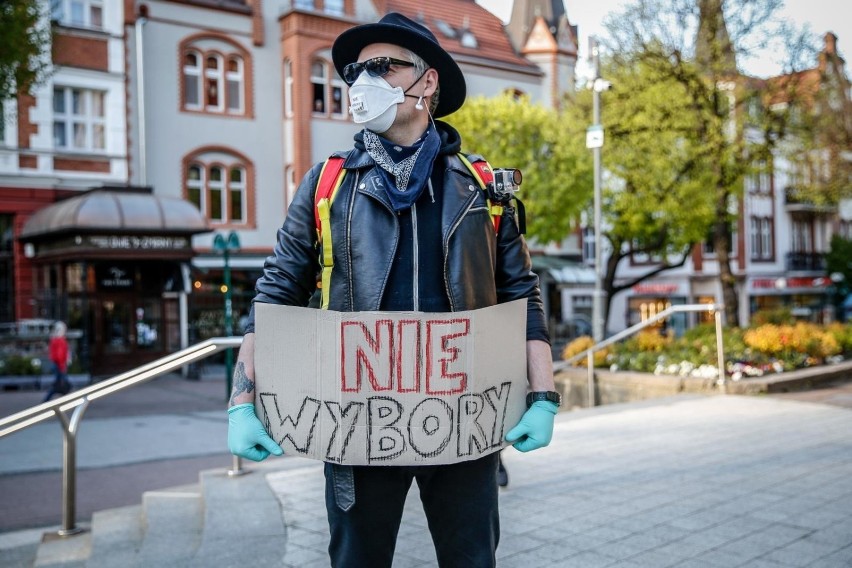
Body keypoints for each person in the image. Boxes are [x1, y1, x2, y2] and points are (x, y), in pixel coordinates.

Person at [226, 13, 561, 567]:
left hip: (463, 421)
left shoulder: (482, 186)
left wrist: (543, 396)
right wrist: (242, 400)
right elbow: (277, 292)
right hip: (357, 420)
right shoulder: (327, 183)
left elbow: (522, 297)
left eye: (383, 67)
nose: (364, 81)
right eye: (357, 70)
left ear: (428, 82)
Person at [43, 321, 70, 402]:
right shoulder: (60, 340)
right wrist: (62, 366)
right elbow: (60, 355)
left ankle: (64, 398)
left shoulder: (54, 339)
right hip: (59, 364)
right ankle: (47, 399)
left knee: (60, 383)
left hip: (56, 364)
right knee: (60, 384)